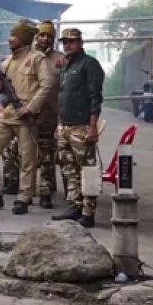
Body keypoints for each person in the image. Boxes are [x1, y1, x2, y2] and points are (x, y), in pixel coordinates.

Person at [0, 19, 53, 215]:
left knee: (28, 159)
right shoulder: (7, 61)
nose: (10, 39)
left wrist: (31, 107)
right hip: (7, 114)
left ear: (23, 39)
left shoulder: (37, 59)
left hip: (26, 117)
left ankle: (24, 197)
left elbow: (47, 85)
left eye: (14, 36)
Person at [0, 20, 66, 209]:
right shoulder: (22, 56)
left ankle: (45, 192)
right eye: (42, 35)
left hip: (47, 115)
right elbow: (10, 84)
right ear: (36, 37)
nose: (45, 39)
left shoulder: (59, 60)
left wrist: (61, 118)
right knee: (14, 151)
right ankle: (15, 184)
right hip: (22, 115)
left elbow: (62, 89)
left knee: (46, 155)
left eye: (49, 36)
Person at [52, 28, 105, 228]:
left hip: (82, 127)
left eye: (72, 42)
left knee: (87, 169)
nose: (68, 45)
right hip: (65, 126)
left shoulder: (89, 65)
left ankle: (88, 212)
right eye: (65, 42)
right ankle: (75, 206)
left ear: (81, 42)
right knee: (69, 169)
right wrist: (59, 124)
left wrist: (93, 126)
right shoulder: (66, 66)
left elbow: (95, 97)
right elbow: (62, 97)